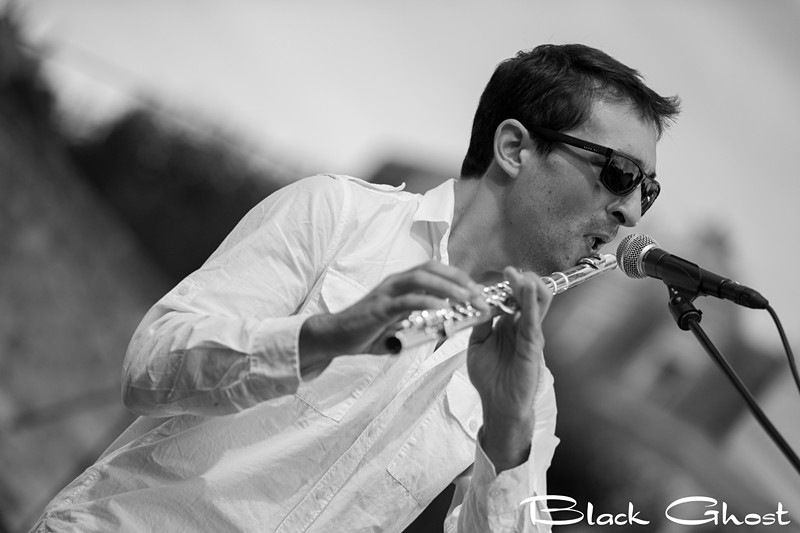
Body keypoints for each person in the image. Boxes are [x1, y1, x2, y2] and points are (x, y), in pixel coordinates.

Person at [32, 43, 680, 533]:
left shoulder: (530, 388)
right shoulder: (337, 216)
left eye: (646, 190)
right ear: (515, 147)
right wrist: (327, 335)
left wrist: (507, 436)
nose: (630, 211)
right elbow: (150, 366)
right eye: (619, 173)